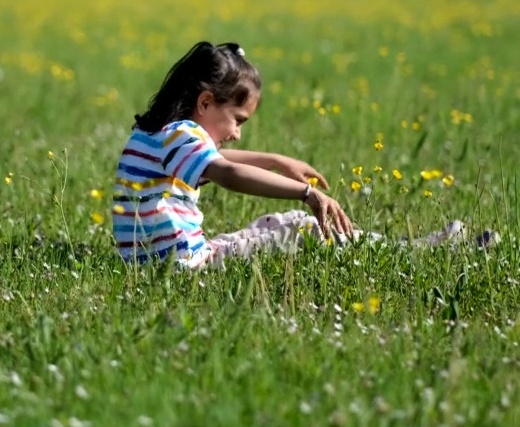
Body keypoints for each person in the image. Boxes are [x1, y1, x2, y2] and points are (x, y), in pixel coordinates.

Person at [110, 41, 357, 270]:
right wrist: (306, 193)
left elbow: (221, 158)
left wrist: (276, 161)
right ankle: (388, 248)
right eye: (237, 120)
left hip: (176, 259)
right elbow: (228, 172)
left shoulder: (159, 135)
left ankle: (376, 243)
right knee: (306, 230)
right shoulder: (179, 136)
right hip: (185, 265)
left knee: (285, 220)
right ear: (205, 103)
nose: (237, 134)